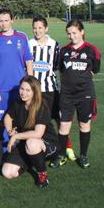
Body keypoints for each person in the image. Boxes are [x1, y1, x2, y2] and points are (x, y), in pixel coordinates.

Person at [50, 20, 101, 169]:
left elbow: (95, 70)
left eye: (74, 33)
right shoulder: (64, 51)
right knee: (64, 126)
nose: (71, 36)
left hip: (85, 94)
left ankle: (83, 156)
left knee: (84, 125)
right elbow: (59, 68)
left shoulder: (92, 50)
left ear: (82, 32)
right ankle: (60, 155)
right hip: (67, 95)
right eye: (69, 33)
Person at [29, 16, 75, 161]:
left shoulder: (54, 44)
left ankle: (67, 146)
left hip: (50, 89)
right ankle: (46, 147)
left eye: (40, 28)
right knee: (39, 121)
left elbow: (57, 67)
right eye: (35, 28)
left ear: (46, 28)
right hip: (34, 91)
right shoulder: (29, 44)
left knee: (59, 119)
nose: (37, 31)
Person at [2, 76, 58, 188]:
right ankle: (31, 161)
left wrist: (15, 137)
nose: (23, 93)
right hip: (25, 142)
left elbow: (38, 134)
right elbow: (8, 117)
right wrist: (9, 130)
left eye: (28, 90)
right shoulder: (18, 103)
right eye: (22, 89)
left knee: (31, 143)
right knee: (7, 173)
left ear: (34, 91)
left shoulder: (41, 106)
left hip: (46, 143)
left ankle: (42, 174)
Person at [0, 8, 33, 121]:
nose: (3, 24)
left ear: (12, 20)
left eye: (6, 20)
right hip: (1, 88)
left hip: (20, 87)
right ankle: (4, 139)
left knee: (21, 119)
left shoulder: (22, 37)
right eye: (1, 21)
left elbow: (28, 62)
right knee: (2, 120)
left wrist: (30, 85)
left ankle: (19, 139)